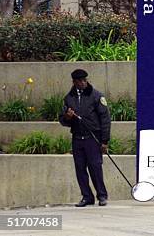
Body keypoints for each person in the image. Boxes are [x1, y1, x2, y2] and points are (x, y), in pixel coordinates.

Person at [59, 69, 111, 207]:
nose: (83, 83)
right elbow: (62, 120)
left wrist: (104, 141)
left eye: (84, 80)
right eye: (80, 81)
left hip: (93, 137)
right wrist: (67, 117)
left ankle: (102, 195)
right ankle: (87, 196)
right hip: (77, 138)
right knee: (80, 169)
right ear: (74, 82)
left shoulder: (96, 96)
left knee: (95, 167)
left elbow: (105, 119)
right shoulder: (68, 98)